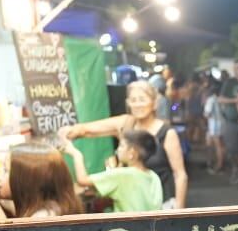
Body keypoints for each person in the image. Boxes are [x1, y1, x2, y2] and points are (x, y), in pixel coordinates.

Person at [62, 80, 188, 209]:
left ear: (154, 103)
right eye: (133, 100)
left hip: (161, 203)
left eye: (142, 99)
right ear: (128, 103)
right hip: (131, 204)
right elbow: (86, 130)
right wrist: (68, 131)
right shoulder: (125, 123)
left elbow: (180, 175)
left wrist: (179, 210)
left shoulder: (167, 132)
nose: (137, 104)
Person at [0, 142, 83, 219]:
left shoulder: (43, 217)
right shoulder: (55, 206)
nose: (1, 179)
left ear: (25, 182)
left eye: (6, 171)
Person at [65, 130, 163, 213]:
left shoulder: (123, 175)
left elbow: (82, 180)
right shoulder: (154, 177)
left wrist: (76, 154)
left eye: (121, 146)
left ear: (132, 153)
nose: (117, 150)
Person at [203, 77, 225, 174]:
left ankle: (218, 165)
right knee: (216, 144)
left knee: (217, 145)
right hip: (221, 123)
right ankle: (213, 163)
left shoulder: (211, 100)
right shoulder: (221, 99)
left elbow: (207, 113)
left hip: (214, 124)